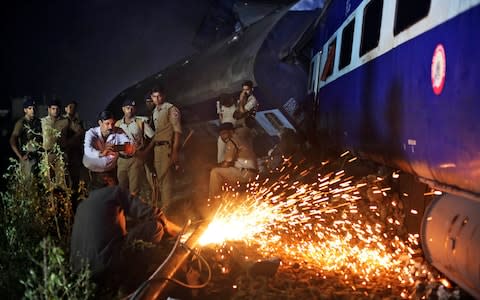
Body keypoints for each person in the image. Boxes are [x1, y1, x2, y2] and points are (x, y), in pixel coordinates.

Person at [70, 171, 181, 285]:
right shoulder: (114, 191)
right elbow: (150, 213)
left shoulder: (82, 206)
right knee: (156, 227)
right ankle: (139, 274)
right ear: (108, 180)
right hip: (108, 263)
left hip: (82, 273)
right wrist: (177, 231)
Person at [150, 86, 182, 209]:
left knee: (166, 181)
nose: (157, 99)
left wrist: (175, 152)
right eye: (154, 96)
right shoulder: (155, 112)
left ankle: (167, 212)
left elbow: (177, 131)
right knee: (160, 180)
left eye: (159, 96)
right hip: (157, 149)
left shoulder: (171, 109)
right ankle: (163, 209)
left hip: (166, 148)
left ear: (163, 96)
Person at [115, 99, 155, 196]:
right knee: (121, 188)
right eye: (128, 108)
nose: (130, 110)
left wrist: (146, 151)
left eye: (132, 108)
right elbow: (113, 144)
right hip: (122, 160)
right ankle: (123, 210)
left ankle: (133, 209)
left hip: (136, 159)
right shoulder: (117, 124)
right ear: (123, 109)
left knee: (134, 190)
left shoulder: (140, 122)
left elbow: (154, 137)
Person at [209, 122, 258, 199]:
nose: (223, 137)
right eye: (221, 134)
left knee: (215, 172)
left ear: (231, 132)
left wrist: (213, 166)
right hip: (250, 172)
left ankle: (213, 201)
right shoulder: (240, 138)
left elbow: (227, 163)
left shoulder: (232, 141)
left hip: (245, 173)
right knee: (225, 177)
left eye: (224, 133)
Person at [82, 110, 132, 176]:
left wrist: (115, 148)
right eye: (107, 124)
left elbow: (130, 147)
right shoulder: (91, 133)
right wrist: (102, 153)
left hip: (109, 172)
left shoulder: (118, 131)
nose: (111, 127)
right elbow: (87, 150)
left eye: (112, 124)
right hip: (91, 171)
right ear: (100, 123)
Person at [9, 98, 42, 175]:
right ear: (25, 110)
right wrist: (20, 156)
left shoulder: (38, 122)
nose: (32, 110)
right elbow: (12, 140)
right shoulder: (21, 123)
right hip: (27, 158)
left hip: (38, 157)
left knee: (39, 182)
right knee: (28, 183)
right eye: (30, 108)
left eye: (34, 108)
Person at [216, 94, 237, 163]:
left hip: (232, 130)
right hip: (224, 129)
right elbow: (220, 118)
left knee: (233, 148)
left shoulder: (236, 106)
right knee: (221, 148)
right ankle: (220, 163)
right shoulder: (221, 106)